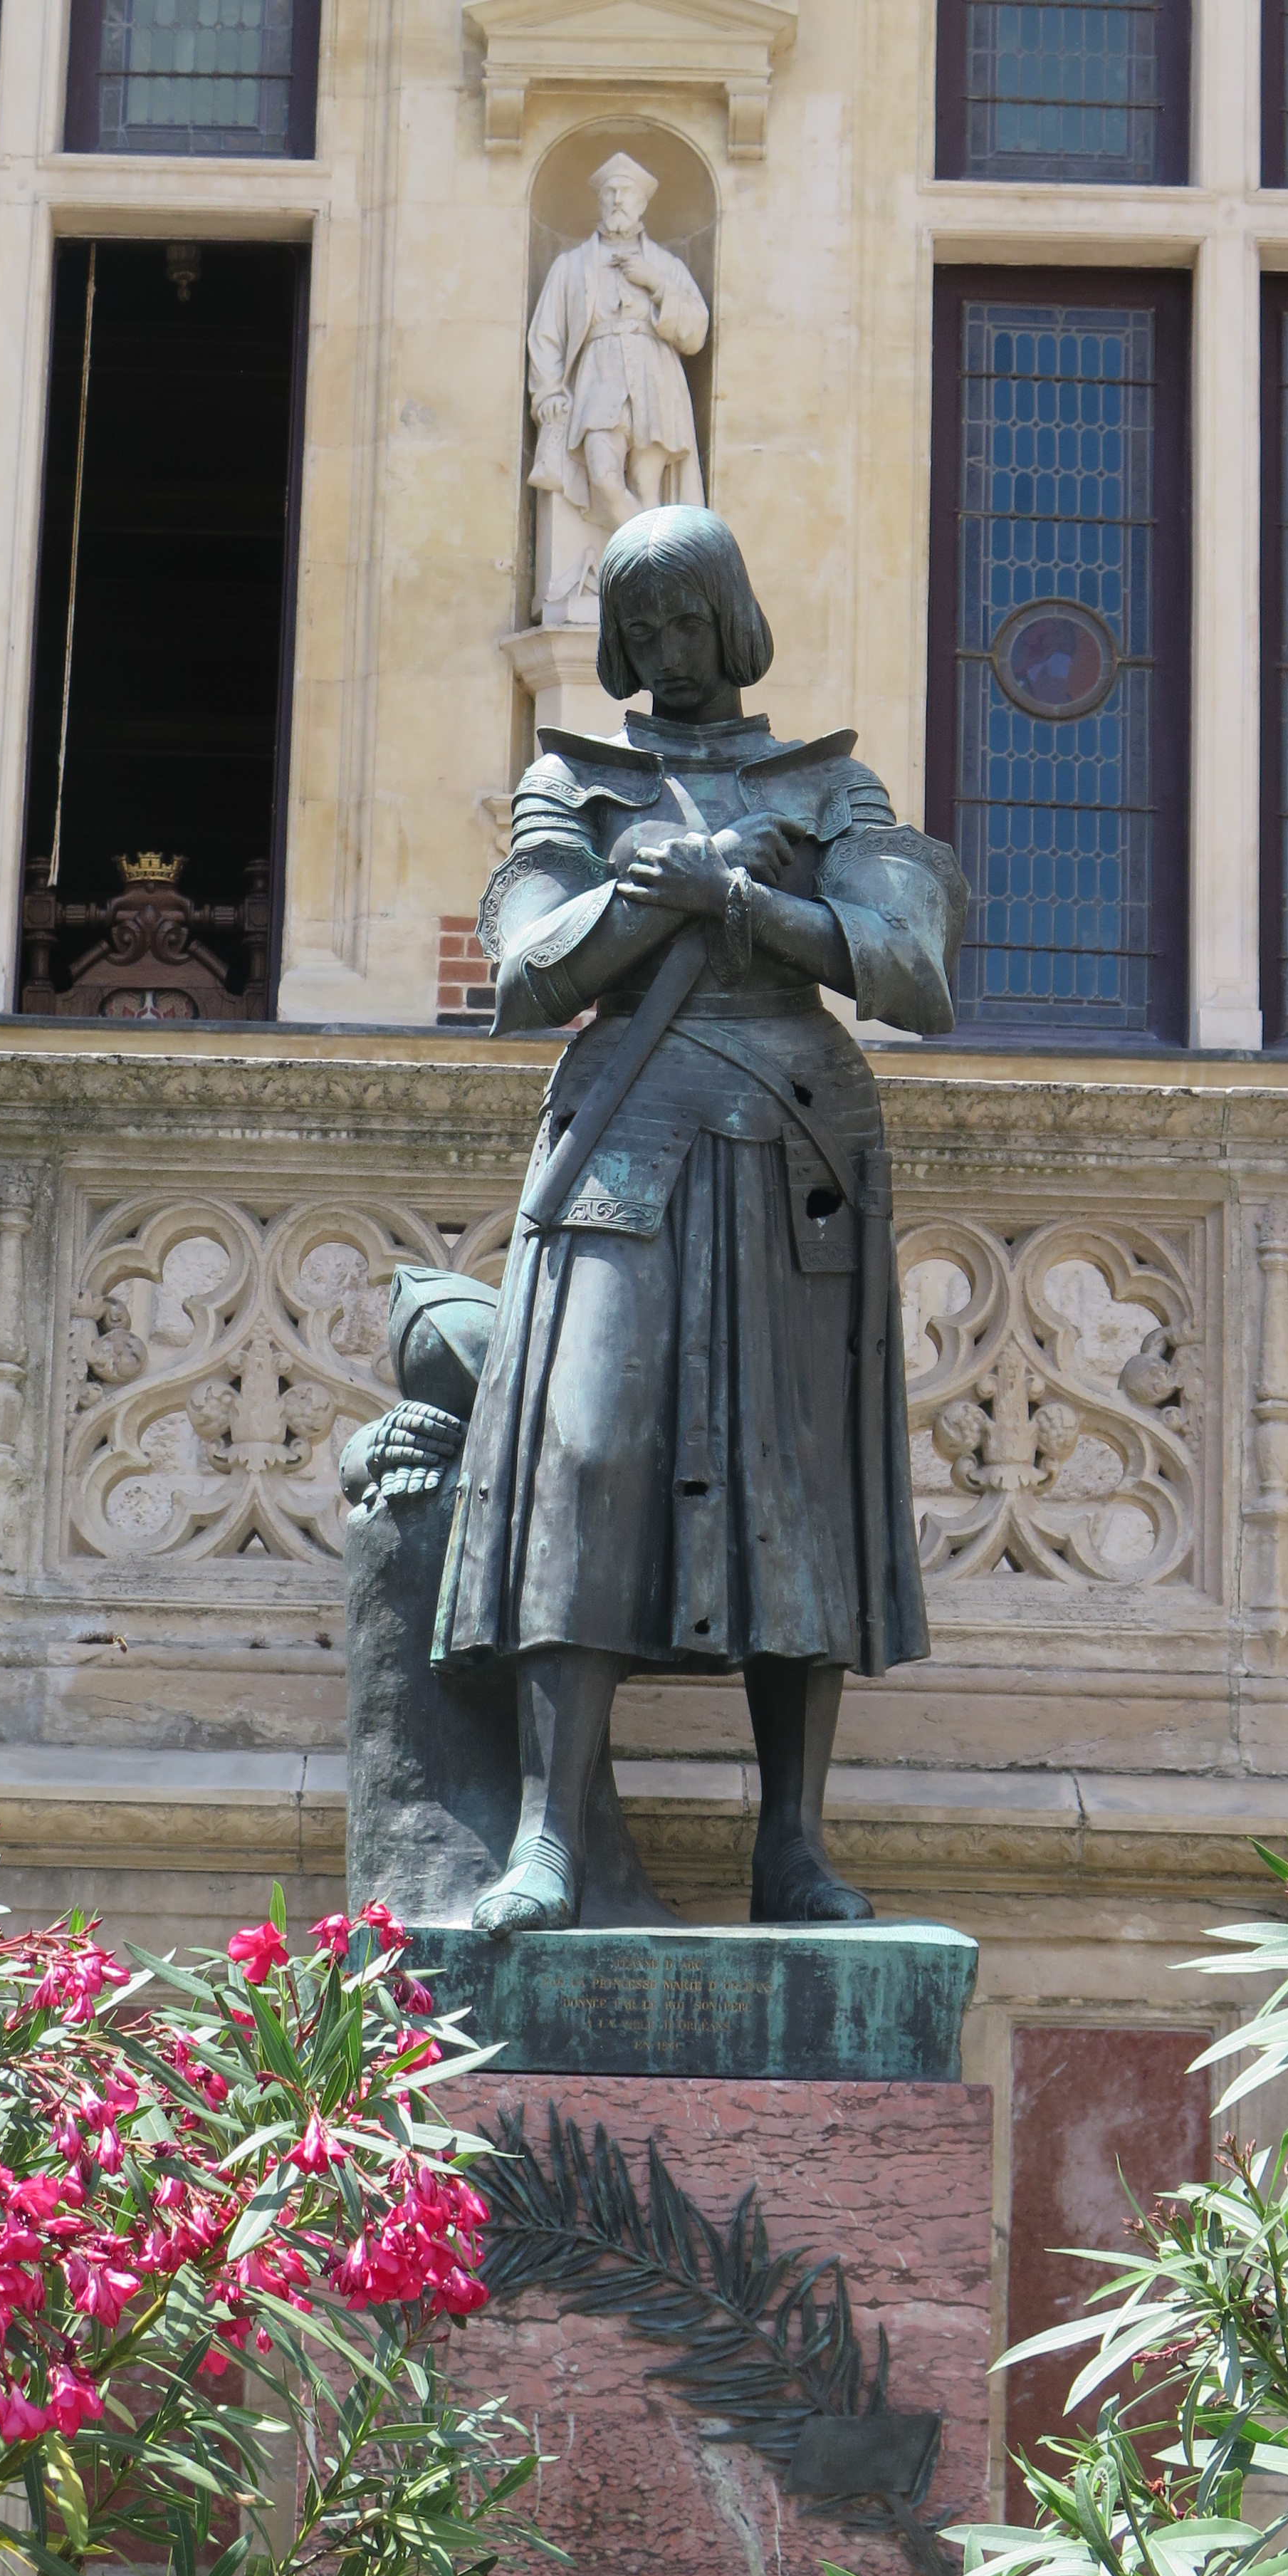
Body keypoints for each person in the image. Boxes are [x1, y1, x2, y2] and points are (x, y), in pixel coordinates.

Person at [432, 507, 967, 1935]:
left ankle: (790, 1844)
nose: (668, 651)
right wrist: (646, 893)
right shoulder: (573, 781)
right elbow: (527, 970)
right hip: (626, 1139)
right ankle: (549, 1835)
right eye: (642, 628)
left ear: (733, 620)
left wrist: (738, 897)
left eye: (687, 620)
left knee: (795, 1480)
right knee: (587, 1453)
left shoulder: (831, 786)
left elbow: (910, 965)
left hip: (795, 1141)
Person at [526, 152, 708, 535]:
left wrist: (655, 283)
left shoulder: (667, 266)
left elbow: (695, 331)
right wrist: (549, 392)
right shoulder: (572, 266)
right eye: (610, 192)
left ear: (642, 204)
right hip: (598, 380)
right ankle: (655, 554)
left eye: (626, 192)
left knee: (647, 486)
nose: (618, 200)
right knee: (605, 480)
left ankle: (647, 565)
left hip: (655, 381)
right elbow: (547, 336)